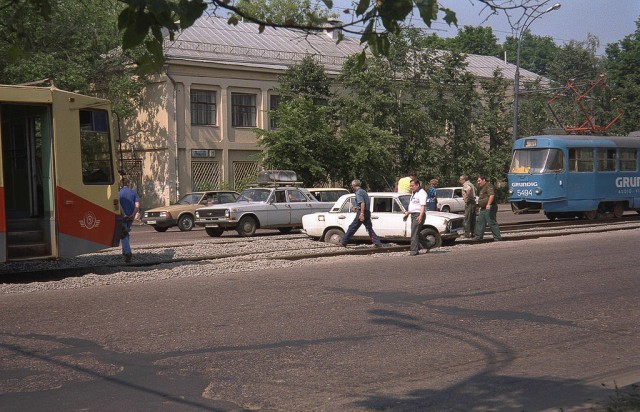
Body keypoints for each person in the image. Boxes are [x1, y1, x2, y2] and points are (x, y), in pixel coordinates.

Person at [340, 179, 383, 248]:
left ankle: (343, 242)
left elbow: (362, 203)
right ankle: (378, 243)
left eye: (352, 185)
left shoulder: (358, 192)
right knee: (369, 228)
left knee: (352, 227)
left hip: (362, 212)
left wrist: (361, 213)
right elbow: (364, 203)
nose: (351, 186)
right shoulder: (364, 191)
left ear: (354, 185)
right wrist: (357, 208)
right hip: (367, 212)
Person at [403, 179, 431, 255]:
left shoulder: (422, 193)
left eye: (412, 186)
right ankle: (428, 244)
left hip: (418, 214)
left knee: (414, 233)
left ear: (417, 185)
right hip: (413, 214)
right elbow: (413, 205)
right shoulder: (414, 193)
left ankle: (414, 251)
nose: (411, 187)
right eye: (410, 186)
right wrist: (408, 213)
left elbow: (422, 206)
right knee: (416, 232)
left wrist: (421, 216)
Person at [474, 175, 502, 241]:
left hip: (490, 207)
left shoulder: (488, 185)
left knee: (491, 222)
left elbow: (491, 195)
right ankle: (478, 237)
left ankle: (497, 238)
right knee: (480, 221)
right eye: (477, 181)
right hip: (483, 208)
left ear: (484, 180)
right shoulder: (482, 187)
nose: (478, 182)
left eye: (479, 180)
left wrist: (488, 204)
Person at [119, 177, 140, 263]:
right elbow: (137, 206)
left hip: (122, 217)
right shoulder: (133, 193)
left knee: (123, 234)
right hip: (130, 217)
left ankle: (127, 253)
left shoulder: (118, 193)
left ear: (121, 184)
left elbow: (118, 205)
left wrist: (124, 214)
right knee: (126, 233)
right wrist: (132, 215)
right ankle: (125, 252)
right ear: (128, 184)